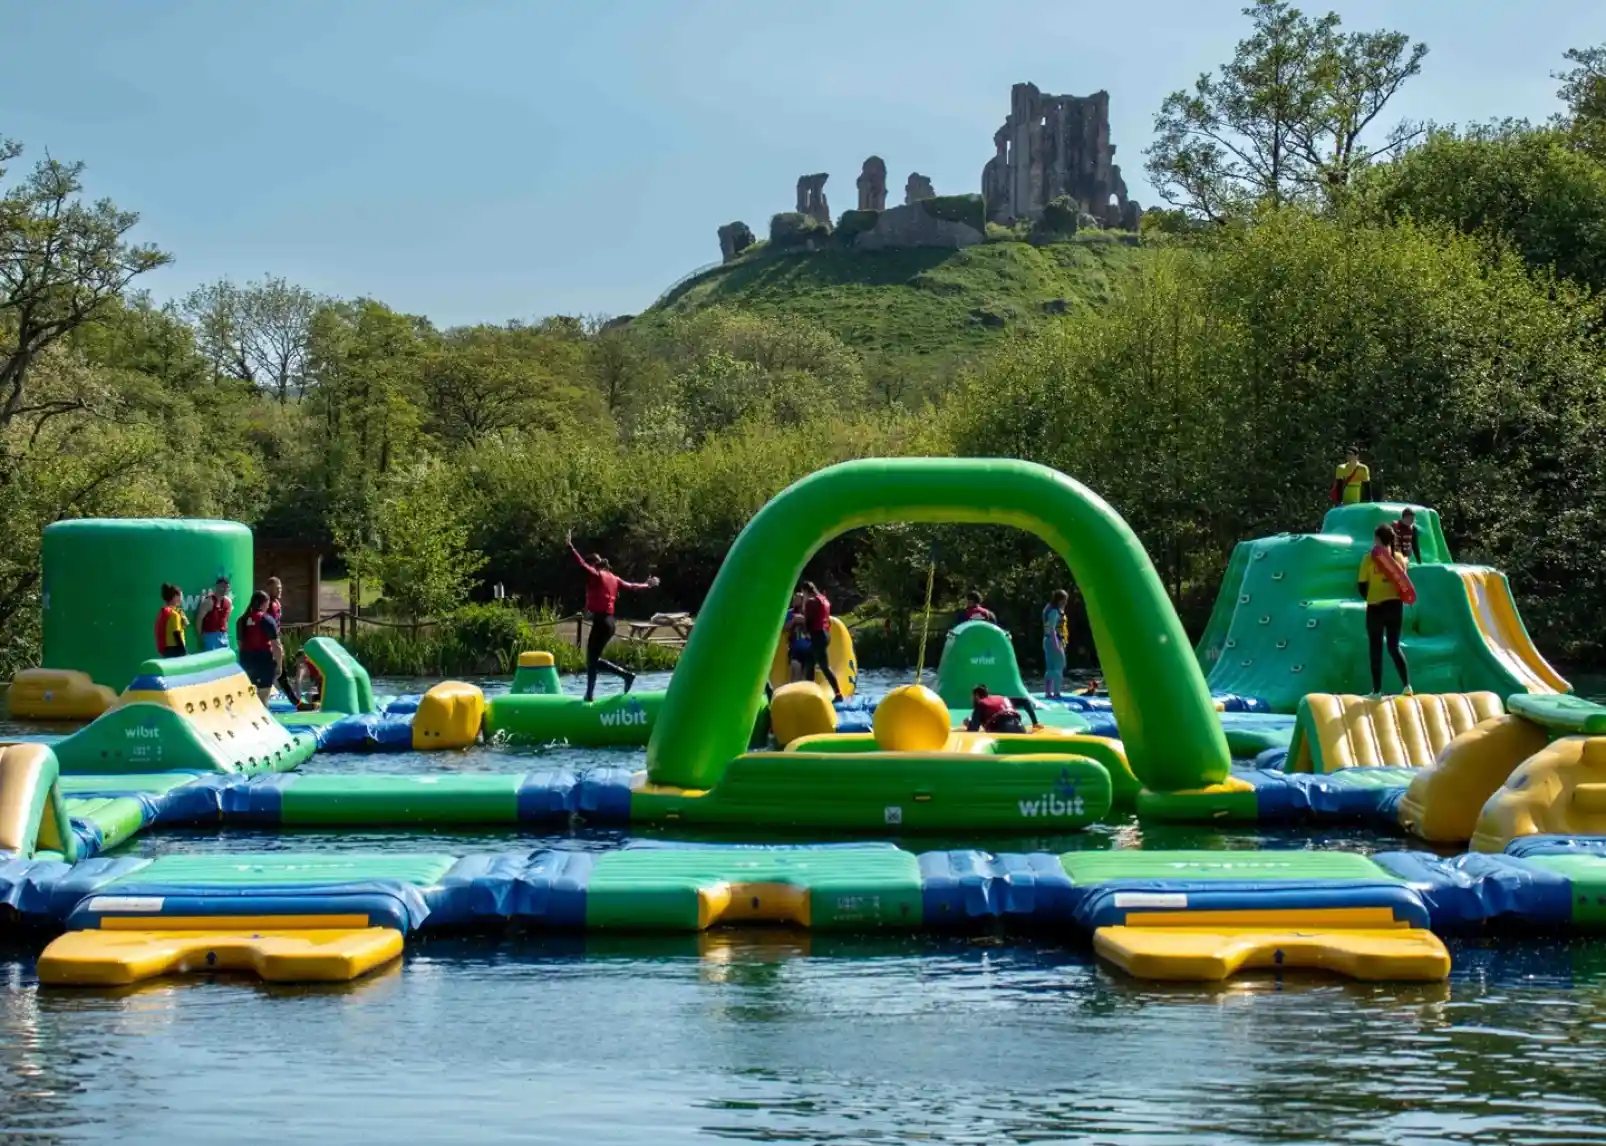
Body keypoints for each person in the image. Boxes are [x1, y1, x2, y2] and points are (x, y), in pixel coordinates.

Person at [568, 531, 659, 703]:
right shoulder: (614, 578)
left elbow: (582, 564)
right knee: (593, 660)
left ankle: (592, 694)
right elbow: (632, 586)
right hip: (610, 623)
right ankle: (624, 676)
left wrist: (570, 546)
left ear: (594, 565)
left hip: (601, 622)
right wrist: (647, 585)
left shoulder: (597, 575)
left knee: (591, 660)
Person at [1357, 524, 1413, 699]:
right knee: (1394, 647)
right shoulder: (1399, 558)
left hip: (1376, 607)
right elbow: (1403, 584)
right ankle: (1407, 686)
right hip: (1395, 606)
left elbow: (1361, 585)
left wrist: (1370, 597)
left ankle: (1377, 691)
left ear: (1377, 539)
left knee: (1375, 648)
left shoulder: (1369, 558)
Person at [235, 589, 282, 703]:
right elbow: (276, 646)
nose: (268, 606)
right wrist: (279, 666)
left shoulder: (242, 620)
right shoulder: (266, 619)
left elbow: (240, 644)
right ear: (264, 603)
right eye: (268, 603)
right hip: (263, 661)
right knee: (263, 698)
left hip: (246, 661)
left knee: (249, 699)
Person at [800, 582, 845, 703]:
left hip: (818, 635)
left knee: (824, 667)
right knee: (810, 661)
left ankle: (838, 694)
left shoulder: (811, 602)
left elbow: (808, 620)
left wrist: (806, 632)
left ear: (805, 591)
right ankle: (810, 692)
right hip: (825, 634)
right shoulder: (824, 599)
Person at [264, 576, 301, 706]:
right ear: (269, 589)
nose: (279, 590)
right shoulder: (267, 605)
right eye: (276, 588)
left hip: (275, 640)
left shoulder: (276, 603)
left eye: (280, 588)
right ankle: (296, 702)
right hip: (269, 643)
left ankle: (296, 702)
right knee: (279, 674)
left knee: (281, 674)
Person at [964, 685, 1040, 734]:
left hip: (1002, 730)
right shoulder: (1002, 698)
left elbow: (973, 729)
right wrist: (1035, 723)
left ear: (976, 696)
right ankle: (1036, 724)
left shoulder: (980, 703)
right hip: (1020, 728)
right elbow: (1025, 701)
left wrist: (969, 723)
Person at [1042, 589, 1069, 698]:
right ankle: (1056, 692)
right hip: (1053, 640)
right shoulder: (1054, 612)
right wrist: (1056, 644)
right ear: (1060, 600)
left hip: (1049, 640)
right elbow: (1052, 629)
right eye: (1065, 600)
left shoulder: (1049, 609)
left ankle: (1048, 692)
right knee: (1059, 665)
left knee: (1051, 667)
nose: (1066, 602)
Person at [197, 576, 232, 651]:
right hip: (210, 636)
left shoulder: (228, 602)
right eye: (222, 587)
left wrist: (226, 633)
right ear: (217, 586)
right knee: (212, 657)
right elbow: (199, 620)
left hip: (224, 636)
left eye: (227, 587)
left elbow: (226, 620)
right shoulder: (208, 602)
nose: (225, 589)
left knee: (226, 658)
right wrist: (201, 637)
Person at [784, 592, 812, 683]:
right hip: (795, 649)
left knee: (806, 676)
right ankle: (793, 690)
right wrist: (793, 621)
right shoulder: (790, 613)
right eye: (795, 598)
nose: (795, 600)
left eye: (798, 598)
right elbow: (784, 628)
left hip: (809, 649)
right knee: (796, 671)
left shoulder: (810, 613)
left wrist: (803, 621)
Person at [154, 583, 189, 657]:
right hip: (176, 650)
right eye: (181, 596)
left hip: (168, 650)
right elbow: (176, 634)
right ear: (175, 597)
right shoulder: (174, 615)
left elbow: (184, 625)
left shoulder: (165, 611)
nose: (182, 599)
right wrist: (184, 651)